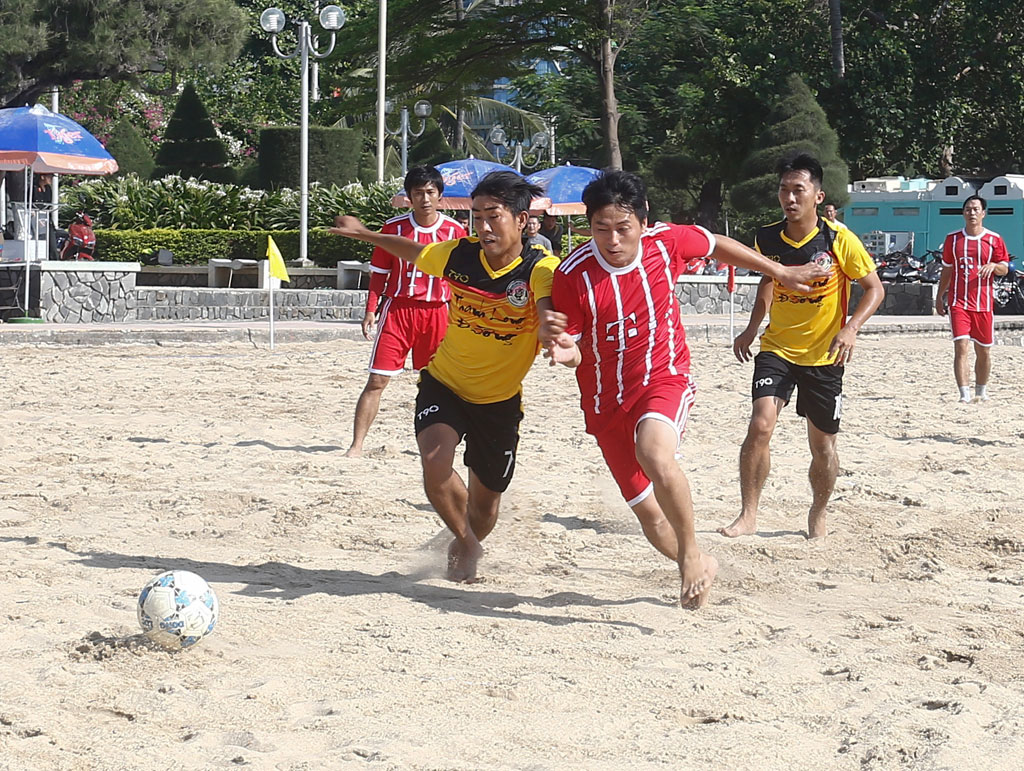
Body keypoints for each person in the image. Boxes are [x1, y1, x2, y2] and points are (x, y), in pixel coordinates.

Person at [539, 170, 827, 610]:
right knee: (652, 520)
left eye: (623, 228)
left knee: (654, 452)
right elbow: (575, 348)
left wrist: (778, 271)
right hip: (604, 404)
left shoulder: (665, 243)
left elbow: (716, 244)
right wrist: (563, 350)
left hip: (663, 376)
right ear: (588, 226)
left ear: (642, 219)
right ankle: (697, 560)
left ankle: (691, 553)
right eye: (601, 229)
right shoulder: (574, 274)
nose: (613, 240)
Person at [330, 172, 558, 582]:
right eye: (477, 217)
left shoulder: (540, 267)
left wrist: (550, 331)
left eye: (494, 216)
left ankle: (463, 537)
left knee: (485, 509)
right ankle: (468, 544)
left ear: (522, 221)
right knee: (435, 465)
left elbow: (546, 305)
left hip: (499, 402)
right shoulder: (460, 255)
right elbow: (413, 251)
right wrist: (366, 234)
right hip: (445, 383)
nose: (484, 227)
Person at [720, 152, 884, 540]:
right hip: (776, 348)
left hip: (825, 355)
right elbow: (766, 280)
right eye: (783, 190)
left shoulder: (838, 239)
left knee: (822, 445)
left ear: (818, 196)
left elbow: (875, 288)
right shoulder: (766, 237)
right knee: (760, 426)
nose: (789, 198)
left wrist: (851, 328)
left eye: (798, 190)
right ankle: (748, 514)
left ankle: (818, 511)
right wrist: (751, 328)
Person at [345, 166, 467, 457]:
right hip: (398, 311)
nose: (425, 198)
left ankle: (438, 444)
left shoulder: (455, 232)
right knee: (377, 380)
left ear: (440, 196)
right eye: (418, 193)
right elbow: (379, 273)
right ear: (409, 197)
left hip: (439, 312)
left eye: (430, 192)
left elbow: (463, 279)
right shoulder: (393, 229)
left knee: (438, 384)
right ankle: (356, 445)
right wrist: (370, 309)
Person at [934, 194, 1010, 403]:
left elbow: (1004, 268)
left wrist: (994, 266)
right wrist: (940, 296)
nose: (972, 212)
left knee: (983, 351)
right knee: (961, 346)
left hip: (984, 304)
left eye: (976, 209)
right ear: (963, 213)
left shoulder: (994, 239)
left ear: (983, 213)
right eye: (968, 209)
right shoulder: (953, 239)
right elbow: (947, 270)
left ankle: (981, 390)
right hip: (959, 302)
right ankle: (964, 394)